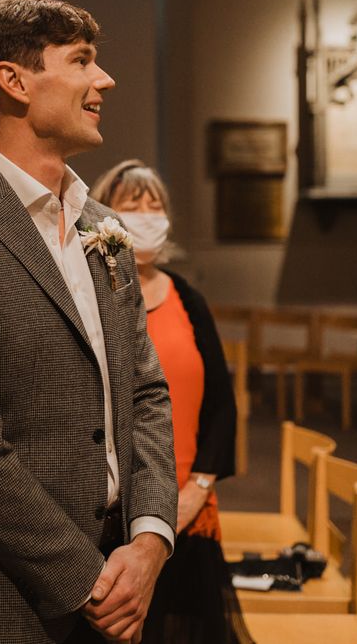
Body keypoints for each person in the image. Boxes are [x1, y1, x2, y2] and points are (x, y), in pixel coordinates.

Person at [0, 0, 178, 644]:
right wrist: (90, 580)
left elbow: (146, 393)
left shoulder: (106, 229)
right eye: (81, 61)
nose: (103, 80)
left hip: (123, 574)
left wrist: (151, 539)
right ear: (13, 81)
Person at [91, 159, 254, 643]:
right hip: (112, 514)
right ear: (104, 215)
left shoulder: (189, 299)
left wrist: (199, 487)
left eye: (155, 204)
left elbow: (221, 407)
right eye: (131, 205)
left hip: (188, 506)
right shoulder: (92, 295)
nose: (146, 215)